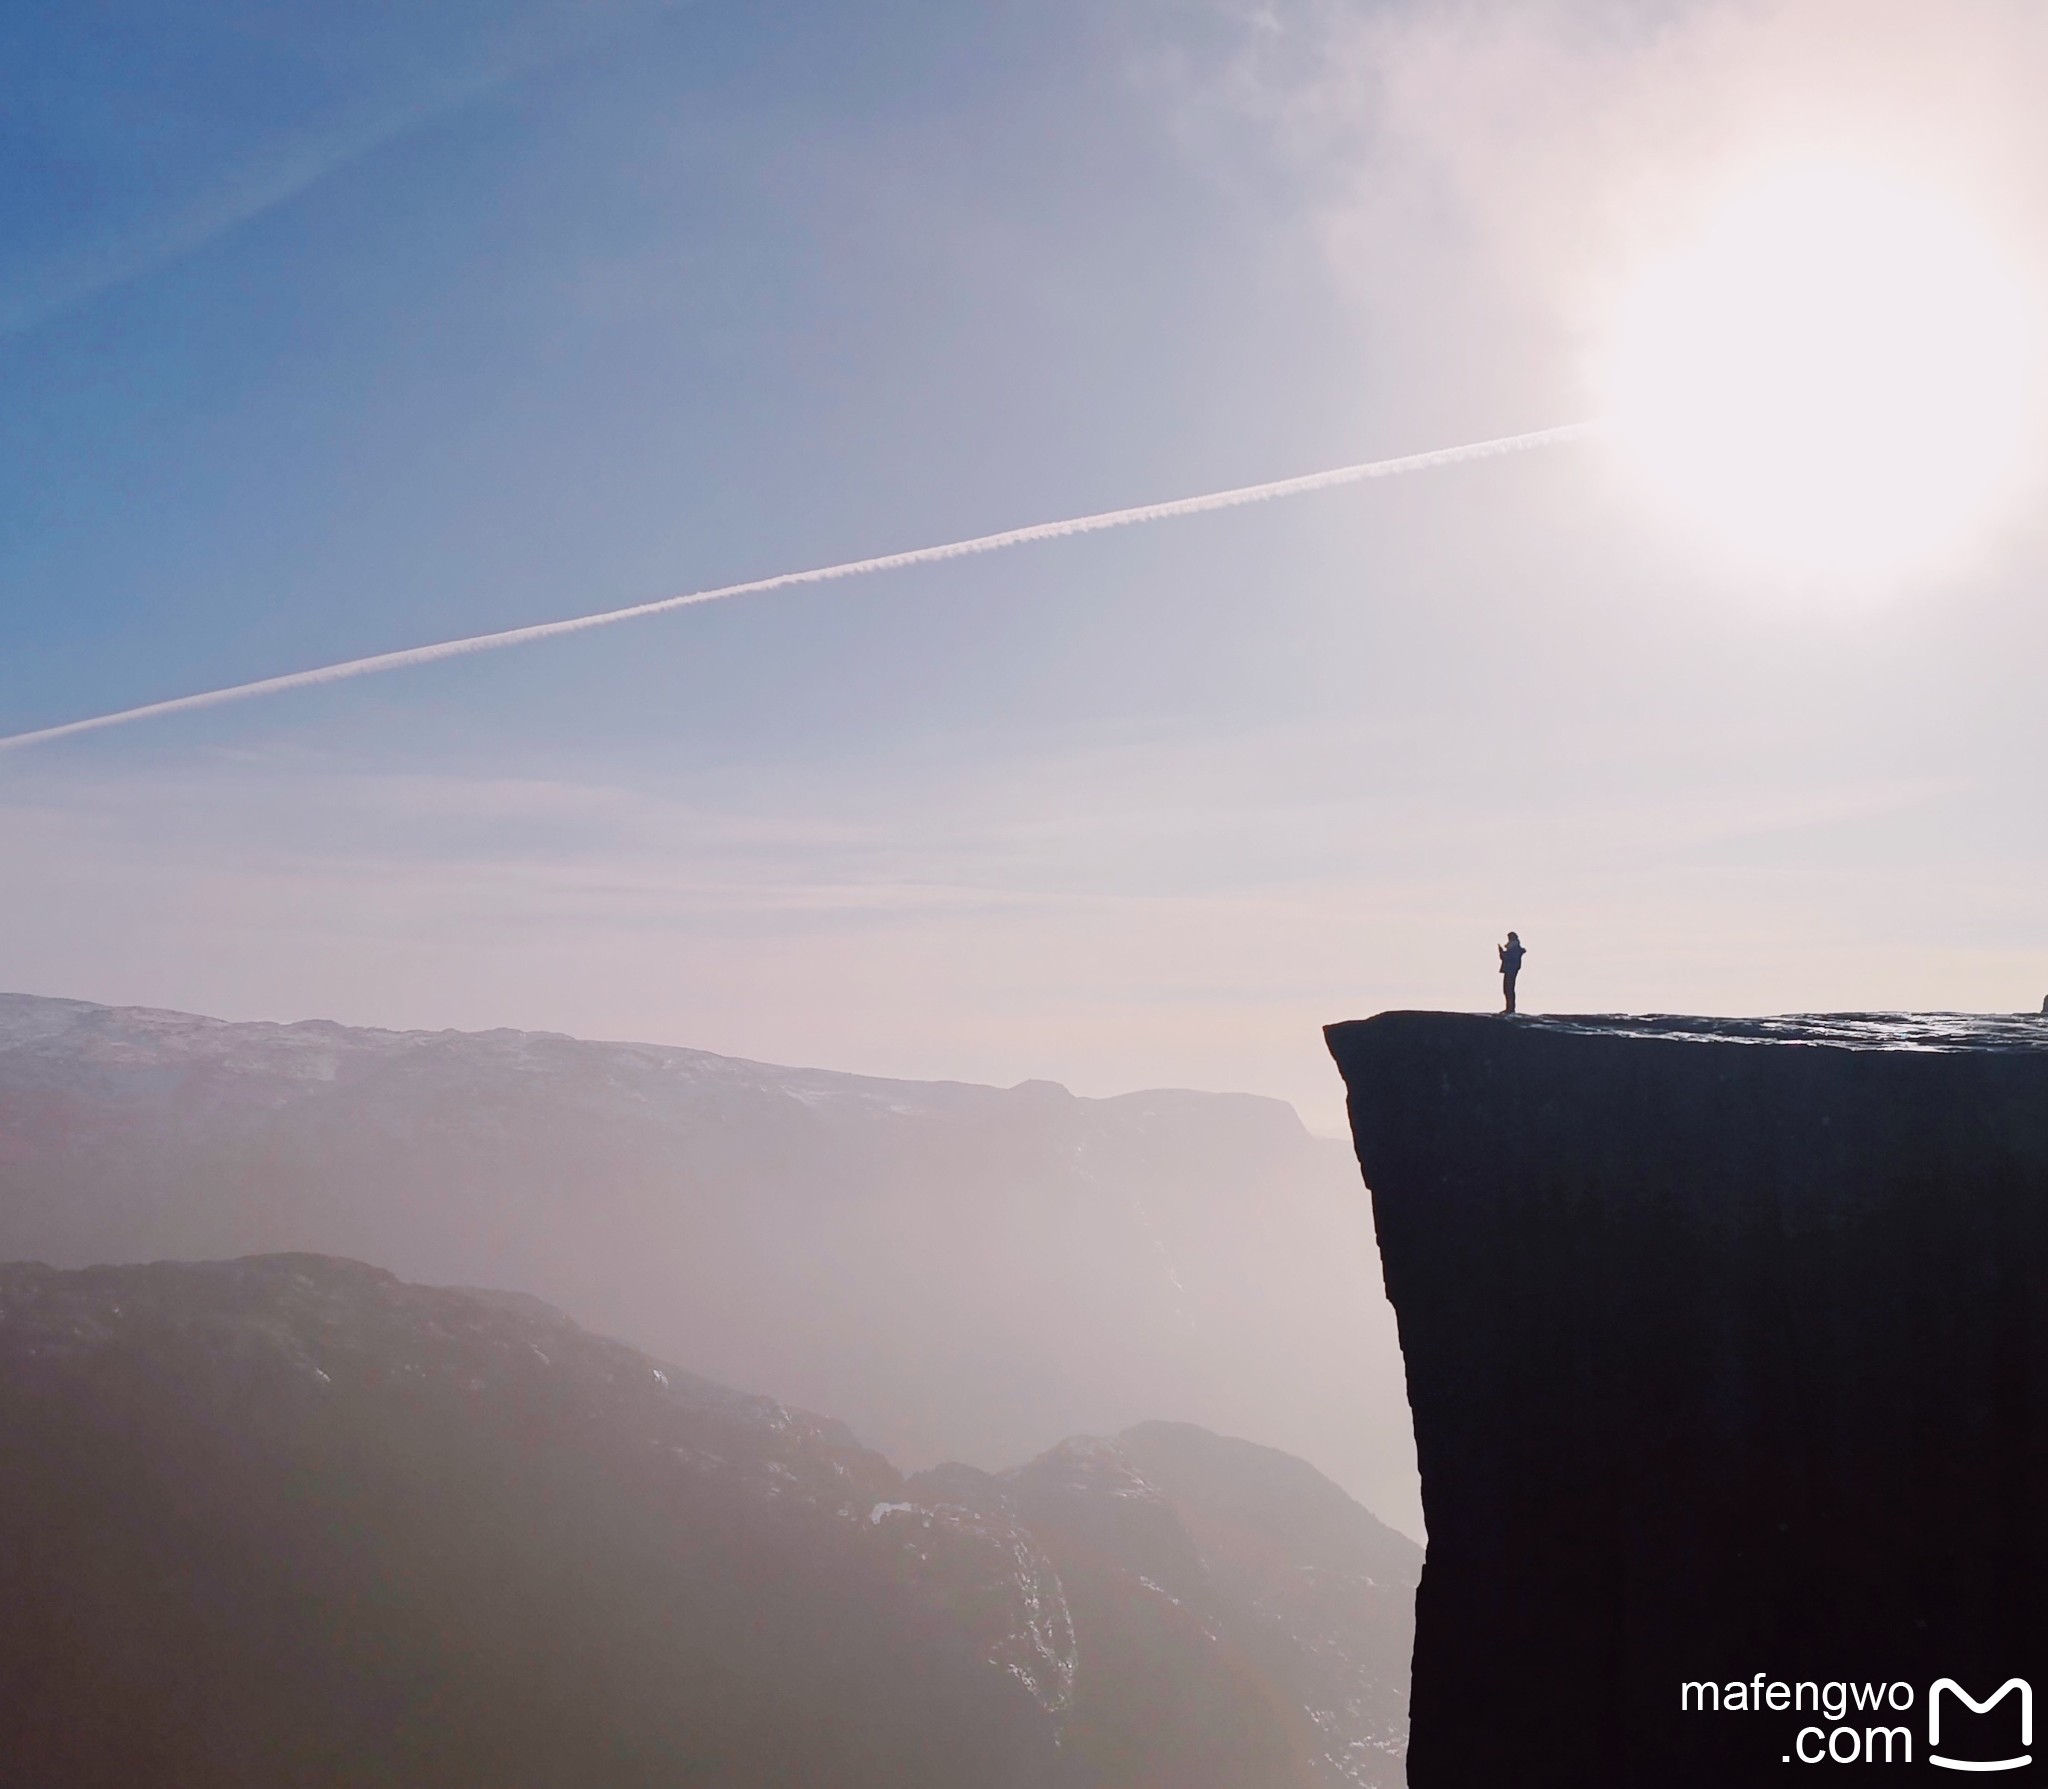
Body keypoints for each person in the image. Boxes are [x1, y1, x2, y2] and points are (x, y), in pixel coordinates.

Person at [1498, 932, 1526, 1015]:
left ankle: (1510, 1008)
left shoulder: (1514, 948)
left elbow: (1507, 958)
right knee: (1508, 989)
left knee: (1508, 989)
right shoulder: (1513, 948)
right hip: (1510, 969)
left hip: (1511, 970)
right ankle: (1509, 1008)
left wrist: (1501, 952)